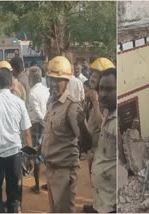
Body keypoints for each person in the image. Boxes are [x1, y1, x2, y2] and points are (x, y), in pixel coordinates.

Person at [0, 67, 33, 213]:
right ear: (11, 82)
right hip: (15, 154)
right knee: (14, 192)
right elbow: (27, 132)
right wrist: (31, 157)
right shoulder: (19, 103)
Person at [41, 56, 90, 213]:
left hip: (64, 172)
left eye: (58, 80)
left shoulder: (72, 107)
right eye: (51, 79)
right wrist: (40, 147)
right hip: (51, 170)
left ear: (67, 82)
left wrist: (83, 125)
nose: (54, 84)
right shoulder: (51, 102)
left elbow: (86, 143)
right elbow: (50, 132)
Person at [84, 68, 117, 213]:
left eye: (109, 89)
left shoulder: (117, 122)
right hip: (102, 199)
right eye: (101, 88)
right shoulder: (108, 112)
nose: (103, 93)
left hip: (111, 204)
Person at [27, 66, 50, 194]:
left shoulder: (32, 92)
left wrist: (43, 124)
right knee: (45, 154)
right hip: (46, 123)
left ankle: (36, 185)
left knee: (36, 154)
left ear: (32, 78)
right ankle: (47, 182)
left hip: (37, 125)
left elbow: (37, 112)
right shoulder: (46, 90)